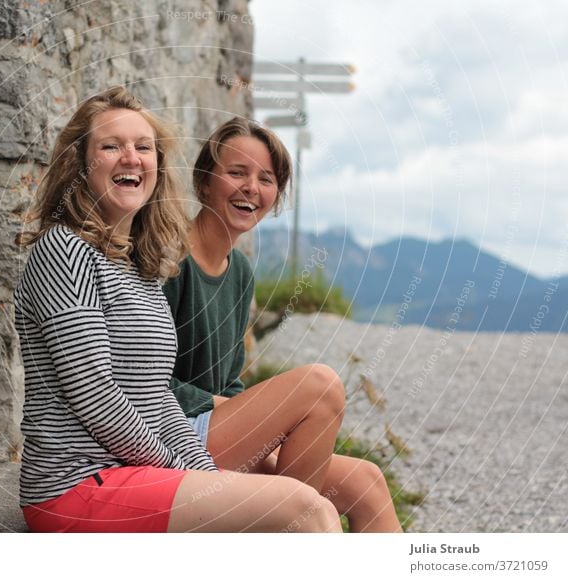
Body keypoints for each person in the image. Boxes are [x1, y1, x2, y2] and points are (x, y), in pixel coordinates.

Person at [13, 87, 342, 533]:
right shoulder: (64, 250)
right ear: (80, 164)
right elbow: (93, 394)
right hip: (77, 485)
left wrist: (202, 471)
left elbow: (157, 398)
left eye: (143, 147)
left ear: (157, 166)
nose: (131, 157)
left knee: (302, 505)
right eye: (111, 146)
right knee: (305, 508)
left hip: (136, 473)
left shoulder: (137, 267)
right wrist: (181, 470)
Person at [164, 117, 402, 532]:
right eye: (236, 172)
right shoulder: (169, 261)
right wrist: (227, 410)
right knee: (320, 386)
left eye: (266, 179)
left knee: (367, 481)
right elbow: (139, 379)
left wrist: (259, 432)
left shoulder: (238, 270)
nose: (251, 188)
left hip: (217, 430)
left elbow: (230, 380)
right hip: (170, 433)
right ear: (203, 183)